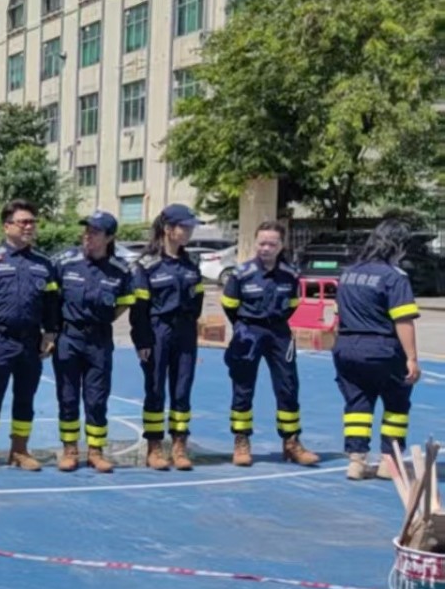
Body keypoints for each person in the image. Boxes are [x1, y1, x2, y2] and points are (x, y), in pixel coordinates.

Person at [0, 199, 61, 472]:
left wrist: (50, 333)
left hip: (31, 341)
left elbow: (52, 304)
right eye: (23, 222)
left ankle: (19, 449)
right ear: (7, 226)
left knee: (25, 397)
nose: (29, 227)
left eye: (32, 222)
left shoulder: (44, 264)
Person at [221, 221, 320, 469]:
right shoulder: (241, 274)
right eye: (262, 243)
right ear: (256, 243)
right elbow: (229, 305)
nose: (266, 248)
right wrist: (243, 327)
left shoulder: (290, 274)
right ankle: (241, 440)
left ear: (281, 245)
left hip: (279, 333)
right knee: (243, 386)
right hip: (248, 331)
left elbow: (293, 304)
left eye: (272, 244)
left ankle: (291, 442)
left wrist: (275, 323)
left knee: (288, 385)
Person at [333, 219, 422, 481]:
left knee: (357, 404)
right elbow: (403, 320)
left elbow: (338, 313)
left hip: (347, 347)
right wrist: (412, 358)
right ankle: (388, 463)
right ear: (398, 246)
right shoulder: (394, 276)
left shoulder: (348, 273)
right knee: (396, 404)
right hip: (383, 348)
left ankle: (356, 461)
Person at [54, 211, 135, 474]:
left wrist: (102, 320)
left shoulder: (120, 271)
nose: (88, 236)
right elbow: (51, 299)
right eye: (86, 230)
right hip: (68, 336)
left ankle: (96, 451)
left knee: (97, 398)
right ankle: (69, 450)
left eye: (95, 232)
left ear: (109, 238)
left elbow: (124, 303)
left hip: (99, 339)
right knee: (67, 396)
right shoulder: (66, 263)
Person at [131, 204, 205, 470]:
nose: (189, 231)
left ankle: (179, 445)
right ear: (168, 229)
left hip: (185, 331)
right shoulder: (146, 265)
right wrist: (142, 340)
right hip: (157, 330)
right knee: (155, 390)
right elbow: (139, 308)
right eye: (185, 227)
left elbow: (198, 299)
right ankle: (154, 447)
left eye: (190, 227)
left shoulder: (191, 263)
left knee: (182, 389)